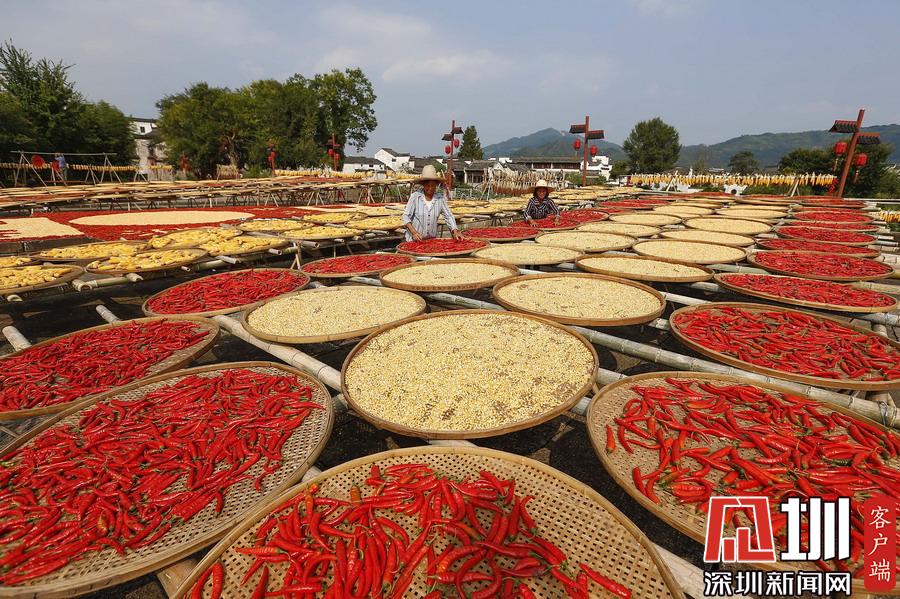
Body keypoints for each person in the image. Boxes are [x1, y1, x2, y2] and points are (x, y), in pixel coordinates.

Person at [402, 165, 463, 242]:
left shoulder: (440, 199)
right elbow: (406, 216)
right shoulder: (415, 197)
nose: (430, 188)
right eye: (428, 185)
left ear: (436, 185)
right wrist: (414, 233)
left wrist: (455, 230)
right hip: (413, 240)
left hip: (431, 241)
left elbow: (449, 216)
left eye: (433, 185)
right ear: (423, 185)